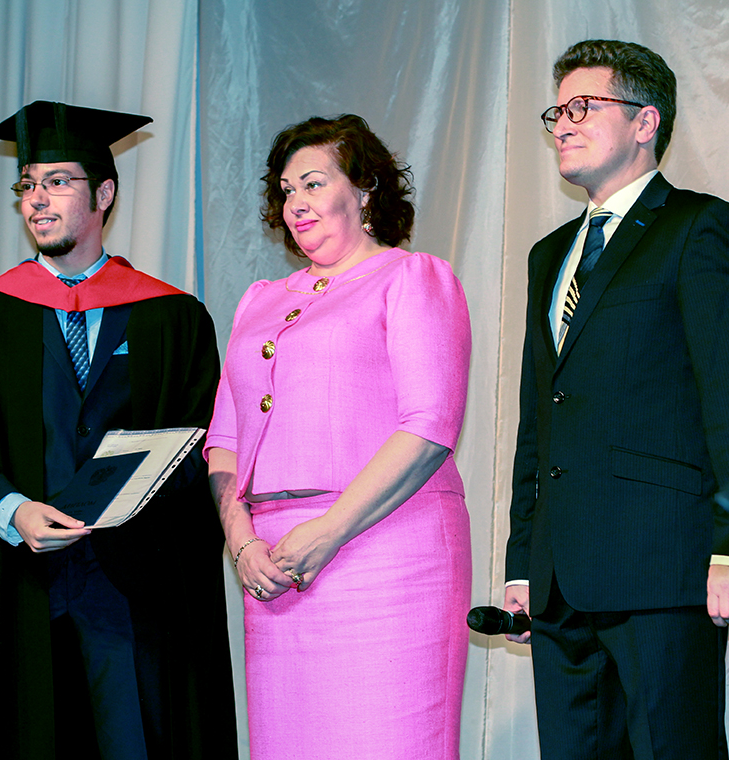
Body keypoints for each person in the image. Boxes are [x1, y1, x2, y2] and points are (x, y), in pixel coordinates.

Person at [503, 41, 729, 759]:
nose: (562, 124)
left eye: (583, 107)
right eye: (556, 112)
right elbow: (542, 417)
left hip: (665, 567)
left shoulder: (696, 226)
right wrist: (522, 561)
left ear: (645, 121)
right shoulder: (548, 256)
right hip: (560, 578)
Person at [0, 101, 236, 760]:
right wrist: (13, 511)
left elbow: (205, 441)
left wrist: (125, 500)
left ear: (104, 193)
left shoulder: (173, 317)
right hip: (21, 577)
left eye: (57, 181)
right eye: (28, 185)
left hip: (136, 586)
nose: (37, 199)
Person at [205, 114, 472, 759]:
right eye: (286, 188)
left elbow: (430, 427)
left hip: (386, 562)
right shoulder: (259, 299)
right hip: (272, 568)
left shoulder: (412, 278)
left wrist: (326, 532)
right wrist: (242, 544)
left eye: (314, 183)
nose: (295, 202)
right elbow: (223, 441)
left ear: (366, 190)